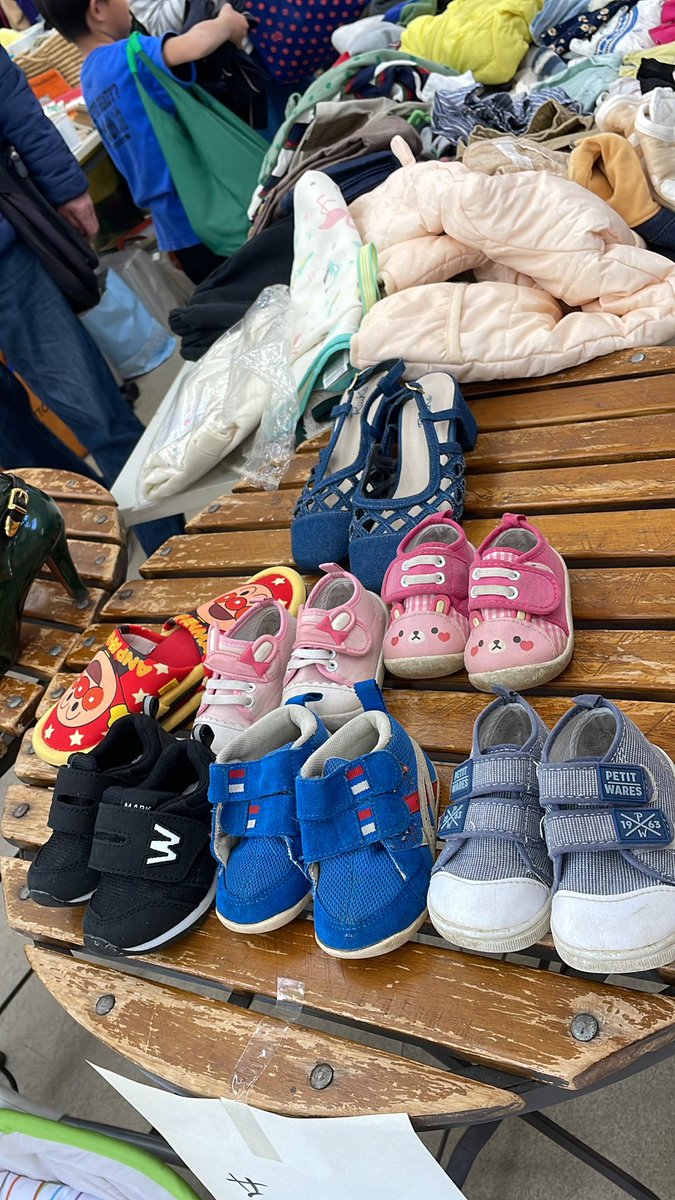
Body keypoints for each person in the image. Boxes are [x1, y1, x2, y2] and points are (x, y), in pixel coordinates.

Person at [0, 47, 183, 553]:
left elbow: (10, 97)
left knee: (97, 414)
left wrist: (64, 187)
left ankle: (170, 551)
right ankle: (96, 544)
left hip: (7, 263)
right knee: (15, 455)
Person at [37, 0, 250, 283]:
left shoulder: (89, 79)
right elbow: (195, 45)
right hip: (211, 209)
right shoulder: (131, 55)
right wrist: (227, 22)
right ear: (97, 10)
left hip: (173, 229)